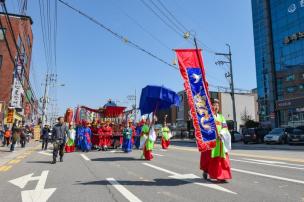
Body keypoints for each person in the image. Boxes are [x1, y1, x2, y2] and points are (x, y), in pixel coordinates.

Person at [200, 99, 232, 182]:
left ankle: (221, 176)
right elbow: (204, 127)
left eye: (217, 105)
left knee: (222, 159)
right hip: (211, 140)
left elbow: (225, 127)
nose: (216, 107)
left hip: (220, 140)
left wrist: (221, 133)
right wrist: (212, 134)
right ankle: (206, 170)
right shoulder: (208, 116)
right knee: (208, 158)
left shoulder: (221, 117)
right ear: (210, 106)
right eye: (214, 105)